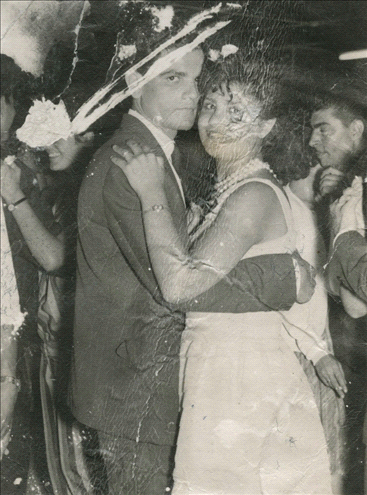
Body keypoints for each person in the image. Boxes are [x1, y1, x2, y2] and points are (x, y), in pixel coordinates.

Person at [71, 43, 315, 494]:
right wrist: (281, 277)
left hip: (224, 373)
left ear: (265, 125)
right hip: (141, 383)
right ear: (131, 83)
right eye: (174, 79)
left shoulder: (219, 181)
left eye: (197, 81)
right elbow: (176, 283)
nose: (205, 110)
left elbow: (180, 280)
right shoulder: (132, 160)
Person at [309, 90, 367, 493]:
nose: (313, 141)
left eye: (323, 129)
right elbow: (346, 294)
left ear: (357, 130)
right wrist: (332, 214)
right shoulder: (346, 189)